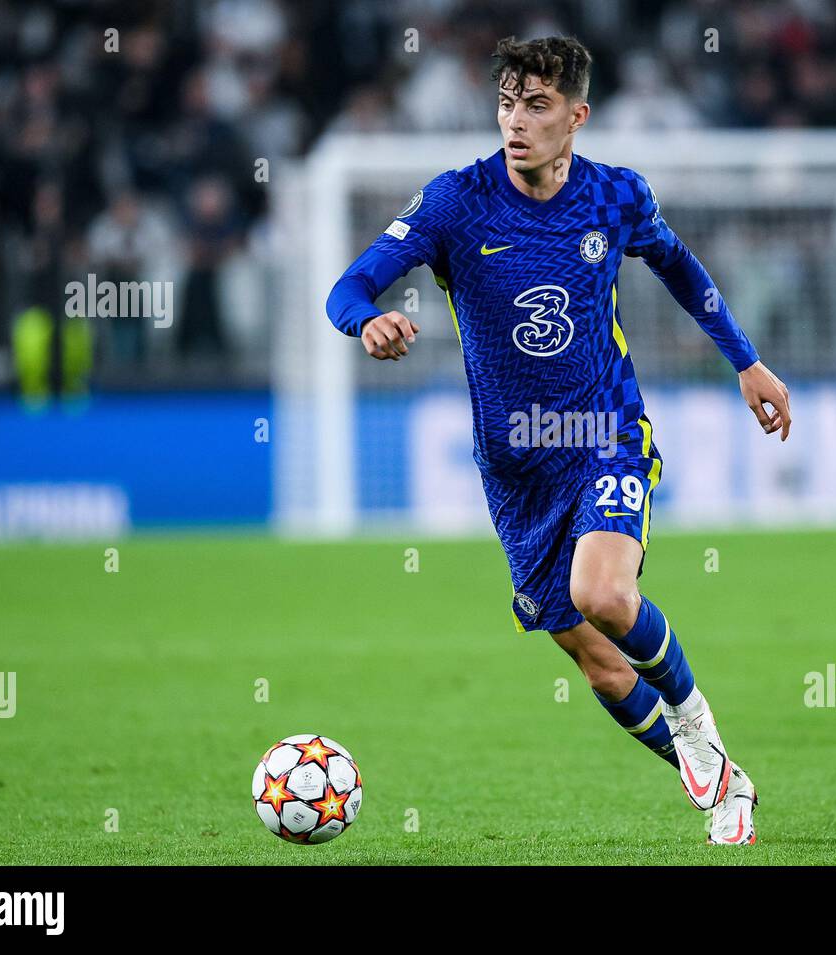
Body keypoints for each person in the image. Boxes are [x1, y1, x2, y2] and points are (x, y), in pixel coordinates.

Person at [326, 35, 792, 845]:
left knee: (604, 595)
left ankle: (692, 718)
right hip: (514, 470)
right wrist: (368, 322)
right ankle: (727, 777)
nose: (517, 121)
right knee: (602, 662)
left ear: (576, 116)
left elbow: (678, 265)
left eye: (537, 106)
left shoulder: (616, 197)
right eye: (507, 103)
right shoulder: (455, 202)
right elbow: (349, 284)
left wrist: (746, 361)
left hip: (605, 433)